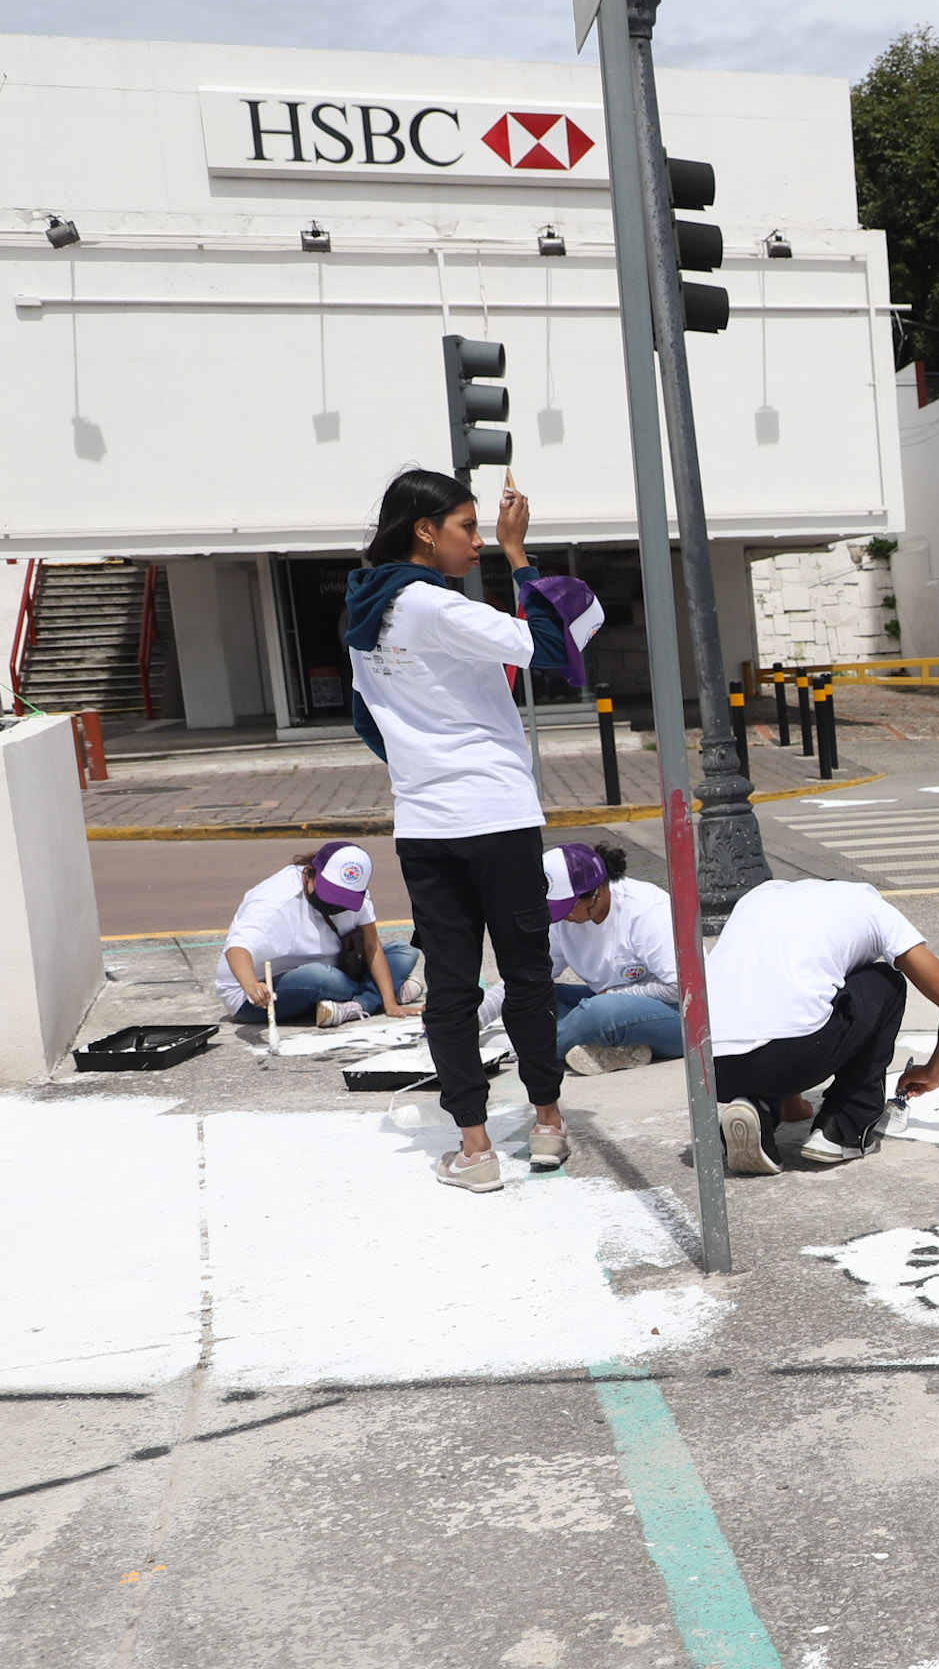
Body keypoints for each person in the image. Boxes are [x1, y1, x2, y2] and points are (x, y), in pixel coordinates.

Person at [343, 468, 602, 1192]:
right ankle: (547, 1124)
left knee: (452, 988)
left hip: (426, 824)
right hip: (498, 814)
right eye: (467, 526)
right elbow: (549, 647)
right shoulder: (430, 605)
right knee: (526, 976)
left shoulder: (364, 611)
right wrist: (524, 556)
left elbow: (367, 717)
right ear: (425, 530)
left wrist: (419, 763)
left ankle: (475, 1149)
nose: (480, 540)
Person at [709, 879, 939, 1175]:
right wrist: (933, 1072)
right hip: (794, 1052)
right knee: (889, 980)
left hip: (710, 1069)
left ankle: (759, 1108)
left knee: (801, 995)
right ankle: (843, 1127)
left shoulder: (759, 896)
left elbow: (780, 993)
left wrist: (793, 1104)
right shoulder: (868, 904)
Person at [216, 840, 418, 1027]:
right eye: (330, 895)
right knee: (319, 976)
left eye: (343, 900)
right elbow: (237, 948)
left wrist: (391, 1005)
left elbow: (372, 945)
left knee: (405, 951)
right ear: (309, 873)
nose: (336, 904)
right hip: (257, 994)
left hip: (338, 969)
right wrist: (252, 985)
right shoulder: (275, 901)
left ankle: (363, 1003)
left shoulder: (355, 891)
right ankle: (377, 994)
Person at [542, 843, 683, 1074]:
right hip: (607, 1002)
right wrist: (473, 1018)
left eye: (566, 907)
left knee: (599, 1012)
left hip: (680, 1014)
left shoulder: (644, 911)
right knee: (536, 996)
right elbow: (530, 977)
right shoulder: (563, 922)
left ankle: (538, 1049)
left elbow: (683, 987)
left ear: (597, 893)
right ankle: (606, 1047)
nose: (560, 916)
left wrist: (616, 996)